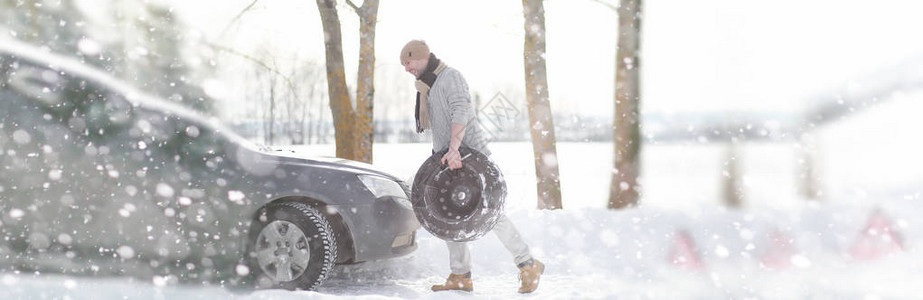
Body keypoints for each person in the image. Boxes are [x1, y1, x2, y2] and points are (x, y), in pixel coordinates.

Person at [399, 40, 545, 294]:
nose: (406, 68)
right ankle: (460, 275)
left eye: (408, 62)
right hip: (447, 158)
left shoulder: (450, 77)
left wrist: (455, 148)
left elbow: (461, 110)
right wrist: (447, 152)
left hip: (471, 159)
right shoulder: (428, 86)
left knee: (491, 214)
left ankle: (527, 265)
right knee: (444, 213)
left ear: (420, 57)